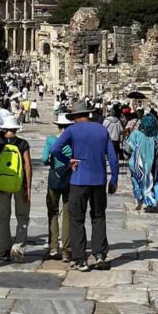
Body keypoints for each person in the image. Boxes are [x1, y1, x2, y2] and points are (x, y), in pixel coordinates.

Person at [52, 100, 118, 272]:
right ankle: (100, 255)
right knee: (98, 217)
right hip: (99, 180)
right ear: (88, 114)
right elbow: (113, 157)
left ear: (74, 117)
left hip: (79, 179)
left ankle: (80, 259)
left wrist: (68, 160)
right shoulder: (102, 130)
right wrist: (114, 180)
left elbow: (55, 149)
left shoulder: (72, 130)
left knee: (76, 219)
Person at [0, 113, 32, 263]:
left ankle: (3, 248)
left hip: (1, 184)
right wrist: (29, 187)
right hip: (20, 183)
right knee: (22, 216)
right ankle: (18, 246)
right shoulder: (22, 144)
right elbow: (27, 165)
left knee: (2, 216)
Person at [42, 113, 74, 261]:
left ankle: (53, 246)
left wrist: (51, 163)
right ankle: (67, 250)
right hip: (70, 177)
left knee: (53, 212)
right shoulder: (74, 141)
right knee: (67, 214)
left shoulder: (51, 140)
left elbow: (43, 159)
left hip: (55, 177)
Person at [123, 112, 158, 213]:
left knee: (137, 180)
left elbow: (128, 148)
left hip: (138, 164)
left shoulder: (136, 134)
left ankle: (139, 198)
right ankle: (150, 202)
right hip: (154, 165)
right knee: (153, 180)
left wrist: (127, 155)